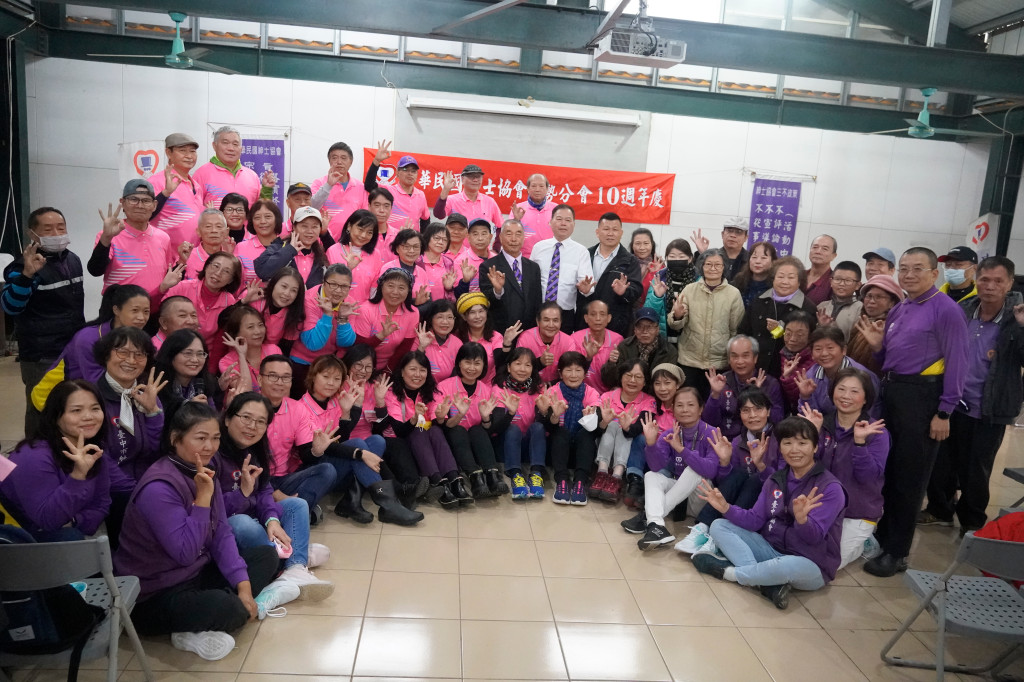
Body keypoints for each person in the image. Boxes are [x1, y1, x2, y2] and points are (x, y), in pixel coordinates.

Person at [113, 402, 280, 660]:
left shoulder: (203, 471)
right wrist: (202, 499)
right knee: (230, 609)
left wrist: (244, 588)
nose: (209, 446)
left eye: (215, 438)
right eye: (200, 438)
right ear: (175, 439)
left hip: (194, 574)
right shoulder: (159, 486)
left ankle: (206, 618)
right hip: (153, 593)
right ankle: (200, 621)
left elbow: (221, 533)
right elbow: (185, 552)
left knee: (266, 556)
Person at [855, 247, 969, 577]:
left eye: (917, 268)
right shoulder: (901, 308)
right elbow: (890, 358)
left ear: (934, 273)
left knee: (910, 476)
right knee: (889, 469)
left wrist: (945, 412)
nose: (909, 274)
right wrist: (878, 347)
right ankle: (883, 537)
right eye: (904, 268)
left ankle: (897, 551)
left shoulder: (946, 310)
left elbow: (959, 362)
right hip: (893, 392)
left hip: (923, 398)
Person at [694, 416, 847, 609]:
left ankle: (728, 573)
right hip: (771, 550)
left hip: (810, 563)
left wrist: (802, 520)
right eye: (787, 443)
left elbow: (814, 538)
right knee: (719, 525)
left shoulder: (830, 487)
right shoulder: (775, 479)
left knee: (785, 566)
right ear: (780, 448)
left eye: (802, 443)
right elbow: (754, 520)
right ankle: (766, 582)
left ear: (815, 447)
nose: (794, 449)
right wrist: (726, 508)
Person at [922, 256, 1024, 534]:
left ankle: (971, 521)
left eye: (998, 281)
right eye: (985, 279)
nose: (990, 286)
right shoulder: (963, 310)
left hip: (989, 408)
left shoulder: (1017, 318)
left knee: (976, 469)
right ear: (976, 280)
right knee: (942, 462)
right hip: (953, 403)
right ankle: (940, 510)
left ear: (1009, 284)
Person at [216, 392, 333, 600]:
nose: (252, 426)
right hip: (227, 527)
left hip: (255, 518)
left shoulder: (254, 450)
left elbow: (264, 490)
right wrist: (242, 493)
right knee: (241, 523)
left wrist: (271, 520)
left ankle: (294, 568)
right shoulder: (213, 453)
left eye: (260, 421)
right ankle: (287, 558)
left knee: (296, 504)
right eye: (246, 417)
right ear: (227, 419)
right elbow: (213, 510)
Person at [294, 355, 423, 524]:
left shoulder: (334, 402)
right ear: (313, 376)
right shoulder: (301, 408)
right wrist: (360, 453)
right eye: (325, 377)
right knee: (358, 445)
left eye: (337, 379)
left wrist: (349, 411)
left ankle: (352, 499)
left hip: (336, 464)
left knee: (377, 441)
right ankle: (388, 504)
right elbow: (320, 449)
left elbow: (342, 438)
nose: (331, 383)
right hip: (315, 469)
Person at [3, 207, 85, 434]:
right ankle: (34, 451)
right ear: (33, 234)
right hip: (41, 355)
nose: (56, 233)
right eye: (48, 229)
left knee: (69, 405)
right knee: (41, 409)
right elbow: (10, 306)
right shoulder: (21, 266)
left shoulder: (73, 260)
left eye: (61, 227)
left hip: (70, 349)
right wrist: (27, 276)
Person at [799, 369, 889, 569]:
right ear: (832, 392)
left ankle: (863, 541)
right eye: (841, 389)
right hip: (821, 507)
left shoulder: (877, 432)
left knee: (823, 566)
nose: (846, 396)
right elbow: (805, 469)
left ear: (866, 399)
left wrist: (859, 444)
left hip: (856, 513)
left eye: (854, 391)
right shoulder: (821, 423)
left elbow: (868, 477)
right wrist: (813, 435)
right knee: (795, 550)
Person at [0, 380, 110, 542]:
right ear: (55, 416)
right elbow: (48, 521)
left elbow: (102, 504)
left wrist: (76, 521)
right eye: (76, 410)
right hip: (21, 540)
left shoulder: (92, 449)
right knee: (70, 538)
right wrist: (78, 477)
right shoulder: (32, 456)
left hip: (67, 530)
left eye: (95, 408)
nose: (88, 417)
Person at [676, 388, 780, 556]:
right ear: (740, 414)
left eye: (758, 409)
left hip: (769, 499)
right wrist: (724, 462)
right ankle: (702, 528)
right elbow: (725, 482)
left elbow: (782, 482)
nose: (752, 415)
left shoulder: (781, 439)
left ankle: (719, 534)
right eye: (746, 410)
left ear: (768, 411)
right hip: (739, 501)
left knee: (755, 479)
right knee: (738, 473)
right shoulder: (738, 441)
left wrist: (761, 466)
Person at [93, 326, 167, 549]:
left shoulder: (146, 394)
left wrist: (153, 413)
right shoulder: (91, 398)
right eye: (122, 352)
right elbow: (99, 458)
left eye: (139, 354)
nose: (131, 360)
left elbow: (156, 449)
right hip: (110, 490)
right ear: (106, 354)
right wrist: (136, 492)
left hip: (143, 484)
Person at [621, 387, 716, 550]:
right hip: (678, 497)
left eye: (690, 405)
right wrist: (651, 444)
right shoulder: (670, 434)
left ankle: (647, 518)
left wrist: (682, 450)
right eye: (679, 405)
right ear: (673, 409)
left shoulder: (711, 433)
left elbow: (711, 471)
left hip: (702, 497)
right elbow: (656, 466)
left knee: (693, 470)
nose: (684, 409)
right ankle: (656, 525)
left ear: (701, 409)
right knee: (651, 476)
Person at [379, 351, 470, 507]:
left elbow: (437, 424)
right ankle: (437, 481)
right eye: (413, 369)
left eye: (422, 370)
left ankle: (454, 480)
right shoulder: (392, 393)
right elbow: (399, 431)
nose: (418, 374)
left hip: (424, 438)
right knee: (419, 430)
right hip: (399, 441)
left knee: (434, 430)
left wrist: (441, 418)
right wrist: (414, 418)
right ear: (402, 372)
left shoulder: (432, 391)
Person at [35, 284, 150, 402]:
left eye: (146, 312)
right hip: (58, 398)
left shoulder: (139, 339)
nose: (141, 317)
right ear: (116, 310)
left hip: (94, 398)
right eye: (135, 310)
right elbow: (95, 382)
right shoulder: (87, 338)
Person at [257, 355, 337, 526]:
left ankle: (290, 512)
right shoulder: (248, 407)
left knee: (327, 470)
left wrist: (316, 451)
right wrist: (274, 493)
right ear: (259, 379)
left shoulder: (296, 408)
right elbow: (240, 460)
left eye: (286, 377)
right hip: (255, 479)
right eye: (273, 376)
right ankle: (292, 512)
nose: (280, 382)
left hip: (285, 478)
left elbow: (305, 455)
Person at [88, 179, 184, 304]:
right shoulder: (109, 235)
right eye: (133, 199)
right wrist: (106, 238)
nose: (140, 205)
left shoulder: (163, 237)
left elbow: (166, 275)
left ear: (154, 205)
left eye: (146, 201)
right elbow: (95, 271)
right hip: (119, 310)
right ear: (122, 203)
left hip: (154, 307)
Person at [667, 248, 745, 396]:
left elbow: (736, 330)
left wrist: (732, 358)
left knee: (714, 402)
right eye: (708, 264)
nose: (713, 268)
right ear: (702, 266)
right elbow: (675, 325)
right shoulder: (690, 290)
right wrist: (677, 316)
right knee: (688, 401)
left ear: (724, 267)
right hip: (689, 360)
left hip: (719, 363)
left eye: (717, 265)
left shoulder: (733, 294)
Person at [436, 342, 508, 498]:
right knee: (458, 429)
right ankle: (475, 479)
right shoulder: (444, 387)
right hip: (453, 439)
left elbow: (488, 429)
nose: (472, 368)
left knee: (477, 429)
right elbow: (444, 426)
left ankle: (492, 476)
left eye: (477, 363)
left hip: (477, 442)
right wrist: (459, 415)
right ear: (459, 363)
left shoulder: (487, 390)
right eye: (467, 362)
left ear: (484, 366)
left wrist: (486, 418)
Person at [738, 256, 818, 377]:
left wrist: (780, 332)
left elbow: (807, 345)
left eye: (791, 277)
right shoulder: (759, 300)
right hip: (755, 367)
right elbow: (743, 332)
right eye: (780, 276)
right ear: (773, 279)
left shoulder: (807, 307)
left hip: (788, 371)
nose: (785, 282)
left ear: (799, 281)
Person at [590, 360, 657, 502]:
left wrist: (627, 427)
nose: (632, 380)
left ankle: (616, 476)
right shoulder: (607, 396)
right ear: (621, 377)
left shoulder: (649, 401)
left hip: (628, 451)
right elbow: (596, 430)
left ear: (645, 381)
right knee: (613, 425)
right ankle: (602, 472)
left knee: (622, 428)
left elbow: (639, 428)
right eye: (628, 375)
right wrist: (604, 422)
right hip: (603, 448)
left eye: (638, 377)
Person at [287, 264, 357, 395]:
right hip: (302, 362)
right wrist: (327, 315)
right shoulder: (309, 299)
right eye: (333, 284)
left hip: (329, 365)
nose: (338, 290)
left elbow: (345, 343)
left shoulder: (349, 303)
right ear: (324, 282)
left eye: (344, 286)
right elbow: (313, 344)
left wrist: (343, 319)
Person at [703, 335, 785, 439]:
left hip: (761, 439)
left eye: (745, 356)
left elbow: (778, 420)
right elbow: (709, 422)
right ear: (729, 359)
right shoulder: (721, 382)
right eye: (735, 356)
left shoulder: (769, 383)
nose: (740, 361)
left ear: (755, 358)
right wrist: (715, 394)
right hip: (727, 439)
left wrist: (758, 395)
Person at [549, 352, 603, 506]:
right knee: (560, 432)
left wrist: (590, 419)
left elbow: (597, 430)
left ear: (585, 373)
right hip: (557, 450)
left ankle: (580, 483)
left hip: (582, 450)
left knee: (586, 434)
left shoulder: (591, 393)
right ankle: (562, 482)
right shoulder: (552, 392)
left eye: (578, 370)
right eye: (568, 370)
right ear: (560, 373)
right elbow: (547, 427)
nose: (573, 375)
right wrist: (554, 416)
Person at [531, 204, 595, 333]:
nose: (563, 224)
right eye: (559, 219)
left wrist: (586, 290)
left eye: (568, 220)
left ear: (574, 225)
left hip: (565, 313)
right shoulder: (538, 248)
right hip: (538, 310)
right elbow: (530, 278)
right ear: (550, 222)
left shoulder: (581, 251)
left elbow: (588, 286)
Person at [577, 212, 643, 337]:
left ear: (621, 233)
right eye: (606, 229)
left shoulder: (630, 260)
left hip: (615, 323)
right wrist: (582, 290)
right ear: (597, 232)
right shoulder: (585, 254)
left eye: (615, 230)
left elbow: (636, 291)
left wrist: (624, 292)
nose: (610, 233)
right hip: (585, 320)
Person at [164, 252, 243, 353]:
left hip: (201, 353)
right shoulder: (182, 287)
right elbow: (161, 314)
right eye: (216, 266)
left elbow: (220, 339)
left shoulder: (229, 301)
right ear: (206, 267)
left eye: (226, 271)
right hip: (171, 347)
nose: (218, 273)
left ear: (231, 280)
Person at [495, 347, 547, 500]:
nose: (522, 369)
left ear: (532, 369)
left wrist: (544, 412)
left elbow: (546, 427)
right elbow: (496, 428)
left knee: (538, 427)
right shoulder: (499, 389)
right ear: (509, 367)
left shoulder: (539, 389)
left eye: (527, 365)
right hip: (506, 445)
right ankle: (516, 475)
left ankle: (536, 474)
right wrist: (510, 414)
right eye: (518, 364)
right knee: (513, 429)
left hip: (529, 446)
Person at [795, 326, 881, 419]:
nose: (824, 353)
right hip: (823, 425)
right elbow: (808, 415)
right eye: (818, 349)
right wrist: (805, 396)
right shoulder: (811, 375)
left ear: (844, 350)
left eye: (830, 348)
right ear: (812, 354)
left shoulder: (864, 376)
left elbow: (871, 413)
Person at [311, 140, 388, 240]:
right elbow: (312, 208)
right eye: (334, 158)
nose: (339, 162)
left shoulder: (360, 186)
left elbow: (366, 216)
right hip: (323, 240)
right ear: (329, 161)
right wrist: (328, 185)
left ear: (351, 162)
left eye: (343, 158)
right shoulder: (319, 183)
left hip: (352, 242)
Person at [479, 218, 542, 334]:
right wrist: (498, 290)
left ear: (523, 238)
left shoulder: (534, 268)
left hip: (529, 331)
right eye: (509, 234)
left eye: (518, 234)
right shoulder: (488, 266)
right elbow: (487, 302)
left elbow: (537, 301)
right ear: (501, 238)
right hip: (501, 331)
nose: (514, 239)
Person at [351, 268, 420, 371]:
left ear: (408, 291)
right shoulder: (365, 310)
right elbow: (359, 348)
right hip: (362, 365)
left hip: (392, 366)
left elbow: (404, 349)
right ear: (381, 287)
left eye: (401, 288)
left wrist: (387, 372)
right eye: (390, 286)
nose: (395, 292)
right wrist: (381, 336)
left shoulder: (413, 313)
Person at [155, 329, 225, 425]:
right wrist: (188, 408)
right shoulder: (156, 387)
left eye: (200, 354)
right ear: (171, 355)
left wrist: (229, 406)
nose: (195, 360)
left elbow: (214, 424)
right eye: (188, 353)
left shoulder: (204, 385)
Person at [147, 133, 204, 250]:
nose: (189, 156)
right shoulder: (156, 181)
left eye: (192, 151)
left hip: (193, 255)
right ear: (168, 153)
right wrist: (166, 193)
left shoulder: (197, 186)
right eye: (182, 151)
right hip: (165, 254)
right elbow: (144, 215)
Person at [192, 126, 274, 207]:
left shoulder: (252, 176)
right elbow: (193, 208)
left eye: (235, 144)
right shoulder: (201, 174)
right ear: (214, 146)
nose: (231, 148)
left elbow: (261, 209)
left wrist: (267, 189)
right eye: (225, 143)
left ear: (241, 149)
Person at [254, 205, 332, 288]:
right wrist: (290, 250)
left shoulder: (321, 256)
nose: (310, 231)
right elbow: (263, 272)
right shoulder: (278, 247)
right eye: (304, 226)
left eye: (314, 227)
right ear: (294, 227)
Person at [602, 307, 676, 392]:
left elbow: (668, 383)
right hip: (629, 393)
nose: (645, 331)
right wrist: (611, 363)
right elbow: (609, 381)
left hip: (656, 394)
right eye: (640, 327)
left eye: (649, 327)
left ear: (657, 329)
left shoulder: (669, 351)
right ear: (635, 330)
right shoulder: (624, 346)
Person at [846, 275, 903, 375]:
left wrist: (879, 348)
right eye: (869, 296)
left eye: (879, 297)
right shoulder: (861, 323)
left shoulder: (894, 328)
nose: (871, 301)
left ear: (892, 303)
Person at [455, 291, 515, 384]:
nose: (478, 316)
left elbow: (500, 363)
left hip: (489, 387)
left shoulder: (495, 336)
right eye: (472, 312)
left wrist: (506, 345)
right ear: (464, 317)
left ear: (486, 313)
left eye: (481, 311)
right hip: (461, 386)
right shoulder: (457, 337)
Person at [325, 208, 384, 304]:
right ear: (349, 226)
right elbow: (328, 285)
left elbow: (374, 288)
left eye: (369, 232)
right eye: (360, 229)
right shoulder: (333, 251)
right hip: (337, 307)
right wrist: (348, 269)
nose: (363, 235)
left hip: (364, 310)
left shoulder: (375, 254)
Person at [219, 305, 283, 392]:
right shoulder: (227, 362)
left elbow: (279, 387)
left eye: (260, 325)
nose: (258, 331)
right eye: (250, 327)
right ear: (237, 333)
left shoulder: (274, 351)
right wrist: (242, 356)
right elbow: (245, 391)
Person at [644, 239, 697, 337]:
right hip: (663, 336)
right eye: (672, 256)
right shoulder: (659, 277)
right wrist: (657, 297)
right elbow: (648, 312)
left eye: (681, 256)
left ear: (690, 258)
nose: (677, 260)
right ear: (666, 258)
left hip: (689, 337)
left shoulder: (698, 280)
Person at [516, 302, 575, 384]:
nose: (551, 325)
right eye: (546, 320)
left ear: (561, 322)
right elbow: (519, 370)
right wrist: (540, 362)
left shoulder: (568, 341)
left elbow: (572, 372)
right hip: (530, 385)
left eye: (555, 320)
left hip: (557, 386)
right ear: (538, 321)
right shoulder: (525, 338)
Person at [571, 300, 622, 392]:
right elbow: (571, 371)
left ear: (609, 318)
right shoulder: (575, 339)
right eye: (593, 314)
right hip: (580, 392)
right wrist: (588, 357)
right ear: (586, 318)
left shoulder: (618, 340)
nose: (598, 318)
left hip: (609, 394)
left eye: (602, 314)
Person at [250, 267, 305, 354]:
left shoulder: (294, 315)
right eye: (284, 286)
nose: (287, 293)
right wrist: (244, 301)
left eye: (293, 290)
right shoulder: (255, 298)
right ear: (274, 284)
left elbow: (285, 350)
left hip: (269, 356)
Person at [433, 164, 503, 228]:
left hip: (480, 238)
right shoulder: (452, 200)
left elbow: (501, 226)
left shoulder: (490, 202)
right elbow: (438, 215)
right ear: (462, 179)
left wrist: (497, 238)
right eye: (471, 176)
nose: (475, 180)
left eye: (478, 177)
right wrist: (445, 189)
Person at [235, 199, 283, 285]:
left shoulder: (286, 247)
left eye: (268, 217)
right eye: (257, 218)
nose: (263, 222)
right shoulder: (241, 247)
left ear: (277, 219)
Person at [776, 310, 816, 414]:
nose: (792, 339)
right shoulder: (783, 354)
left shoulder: (815, 359)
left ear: (810, 337)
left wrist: (787, 378)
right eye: (788, 333)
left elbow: (797, 398)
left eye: (800, 335)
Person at [381, 229, 432, 306]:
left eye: (416, 247)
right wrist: (414, 302)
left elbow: (427, 299)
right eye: (406, 246)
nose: (411, 251)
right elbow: (385, 297)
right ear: (397, 248)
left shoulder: (422, 272)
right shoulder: (388, 268)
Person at [416, 299, 463, 380]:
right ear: (431, 319)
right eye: (440, 317)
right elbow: (412, 368)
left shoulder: (457, 343)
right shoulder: (419, 338)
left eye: (449, 317)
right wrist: (421, 348)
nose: (445, 322)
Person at [510, 173, 554, 257]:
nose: (537, 189)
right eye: (533, 186)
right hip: (524, 258)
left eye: (541, 186)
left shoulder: (556, 210)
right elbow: (510, 235)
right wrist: (516, 220)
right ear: (528, 188)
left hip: (549, 257)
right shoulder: (518, 209)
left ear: (547, 189)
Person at [816, 261, 863, 339]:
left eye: (848, 281)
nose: (841, 284)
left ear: (858, 285)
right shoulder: (822, 306)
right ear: (831, 282)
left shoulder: (860, 309)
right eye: (837, 279)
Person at [184, 209, 234, 280]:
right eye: (208, 226)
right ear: (198, 231)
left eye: (218, 226)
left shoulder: (232, 259)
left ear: (227, 232)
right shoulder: (187, 256)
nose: (214, 230)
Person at [387, 155, 431, 231]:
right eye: (405, 169)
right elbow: (369, 185)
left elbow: (425, 218)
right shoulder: (388, 191)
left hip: (413, 238)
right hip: (391, 237)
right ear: (397, 173)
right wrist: (376, 162)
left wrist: (423, 237)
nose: (410, 173)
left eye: (413, 171)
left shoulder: (420, 195)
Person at [417, 222, 459, 302]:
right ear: (427, 238)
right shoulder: (417, 260)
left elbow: (453, 296)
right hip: (419, 306)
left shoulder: (448, 263)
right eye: (437, 238)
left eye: (445, 240)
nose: (440, 242)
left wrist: (449, 288)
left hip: (441, 307)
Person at [452, 217, 493, 294]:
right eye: (475, 234)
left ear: (490, 237)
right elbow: (457, 295)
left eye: (484, 234)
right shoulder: (460, 261)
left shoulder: (496, 258)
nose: (480, 238)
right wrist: (465, 281)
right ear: (468, 238)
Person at [731, 242, 777, 309]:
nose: (757, 261)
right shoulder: (739, 281)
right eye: (754, 257)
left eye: (763, 258)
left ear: (773, 261)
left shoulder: (776, 285)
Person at [803, 234, 838, 306]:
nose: (818, 252)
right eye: (815, 247)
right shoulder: (798, 275)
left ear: (833, 256)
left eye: (825, 249)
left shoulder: (835, 281)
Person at [629, 227, 661, 301]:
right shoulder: (626, 263)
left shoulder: (659, 265)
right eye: (638, 243)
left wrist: (655, 273)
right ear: (632, 245)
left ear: (652, 244)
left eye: (646, 243)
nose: (642, 248)